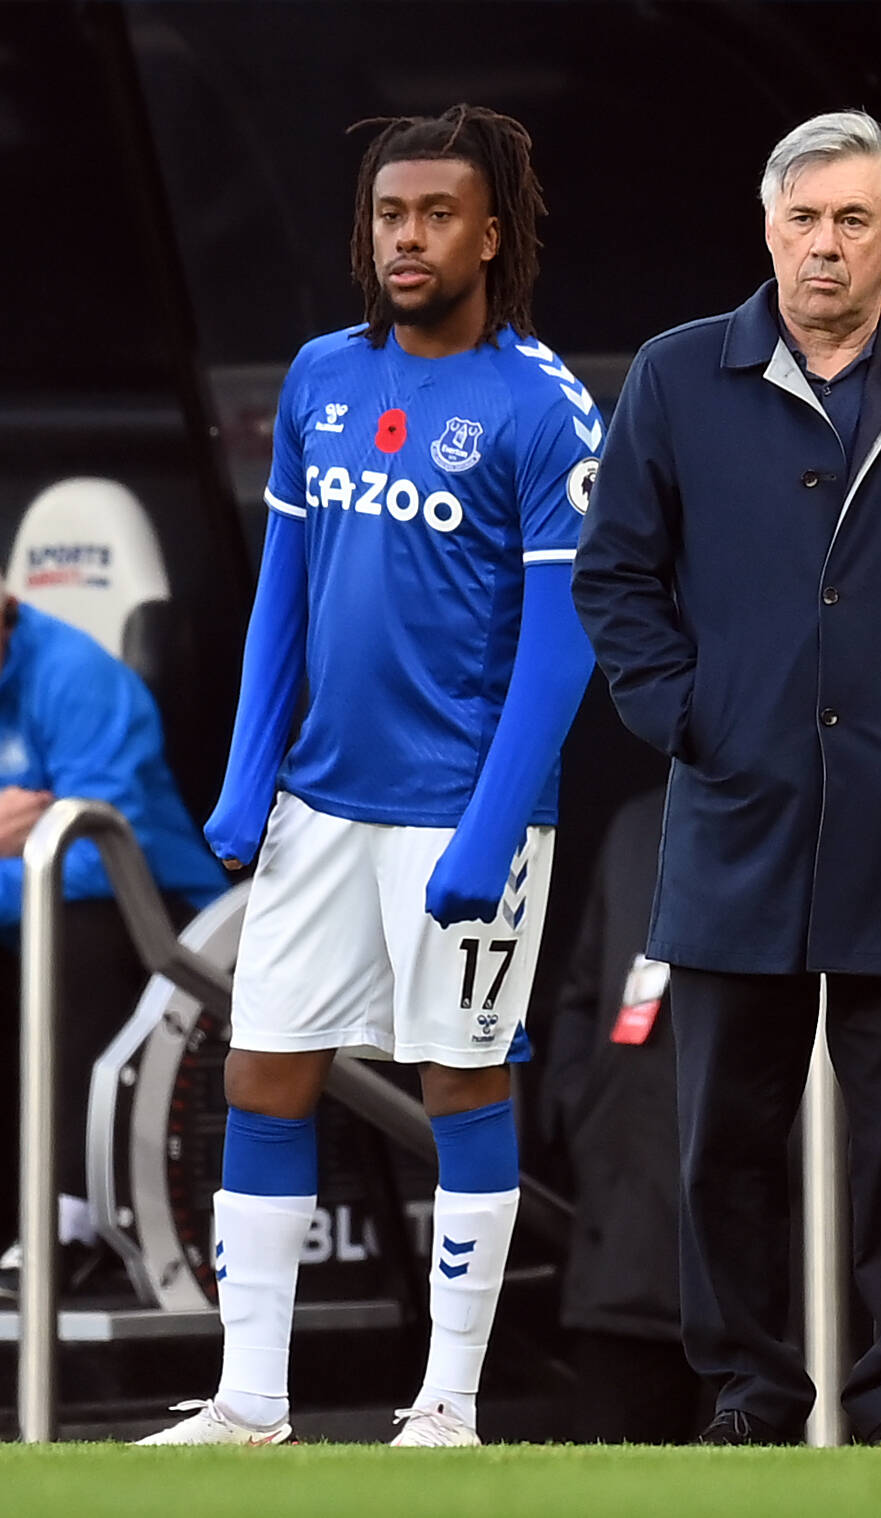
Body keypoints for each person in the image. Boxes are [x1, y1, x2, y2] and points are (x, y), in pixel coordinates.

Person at [572, 108, 881, 1446]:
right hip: (736, 810)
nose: (826, 245)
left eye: (854, 219)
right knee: (723, 1136)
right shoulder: (678, 376)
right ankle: (746, 1388)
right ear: (769, 229)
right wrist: (692, 716)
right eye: (803, 218)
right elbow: (614, 579)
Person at [139, 105, 600, 1448]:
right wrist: (243, 776)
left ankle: (447, 1403)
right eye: (390, 213)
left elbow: (566, 645)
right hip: (318, 808)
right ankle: (251, 1401)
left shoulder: (543, 405)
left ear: (491, 234)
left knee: (463, 1078)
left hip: (463, 811)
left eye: (437, 213)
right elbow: (286, 589)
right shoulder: (319, 378)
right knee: (262, 1072)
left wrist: (490, 832)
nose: (408, 236)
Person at [0, 586, 226, 1294]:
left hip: (161, 914)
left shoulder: (76, 676)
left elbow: (95, 855)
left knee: (71, 934)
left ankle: (69, 1223)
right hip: (29, 904)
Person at [541, 785, 704, 1443]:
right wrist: (588, 1111)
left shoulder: (813, 818)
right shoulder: (638, 824)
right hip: (625, 1251)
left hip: (763, 1277)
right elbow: (584, 994)